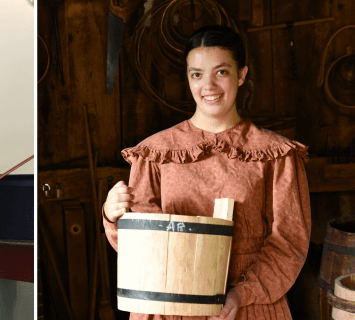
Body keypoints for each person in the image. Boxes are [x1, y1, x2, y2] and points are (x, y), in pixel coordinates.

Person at [102, 25, 311, 320]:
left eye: (221, 72)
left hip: (249, 305)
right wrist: (112, 216)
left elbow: (289, 243)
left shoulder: (275, 154)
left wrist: (240, 294)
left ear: (241, 75)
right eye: (197, 74)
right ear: (188, 79)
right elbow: (142, 246)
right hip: (168, 308)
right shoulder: (155, 152)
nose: (208, 86)